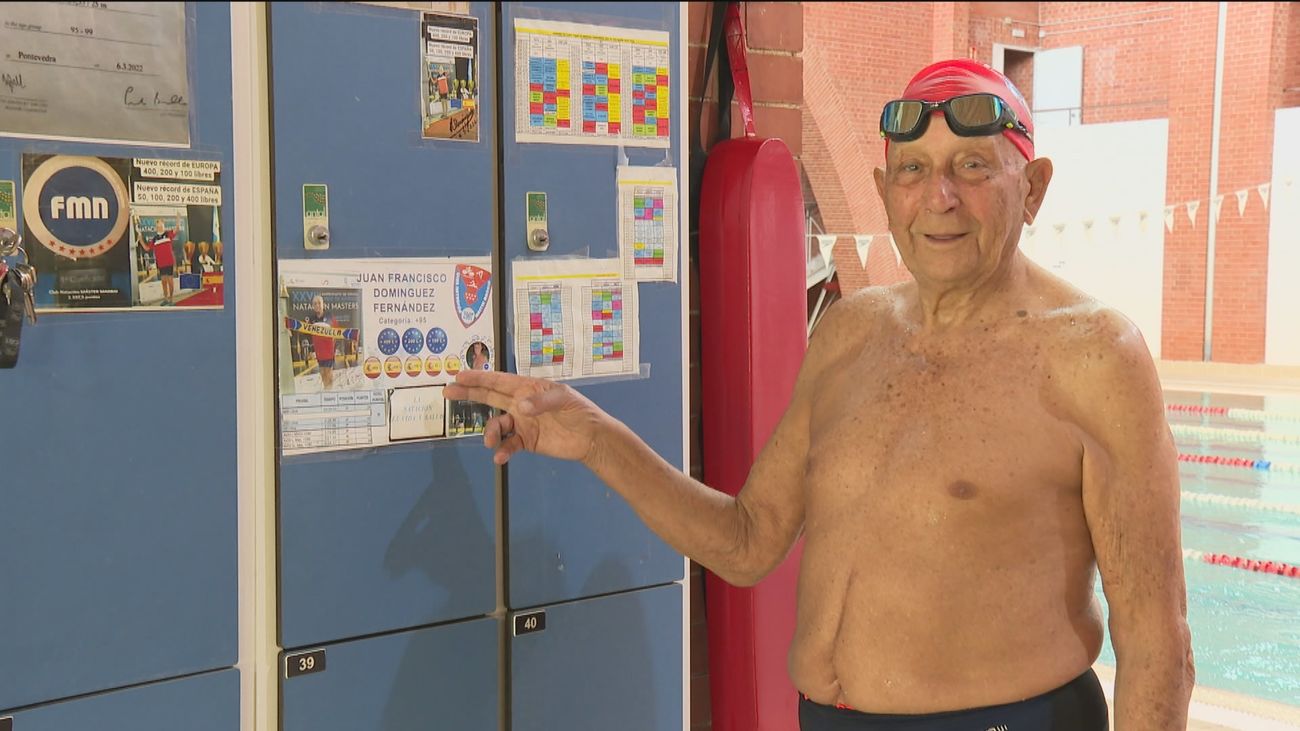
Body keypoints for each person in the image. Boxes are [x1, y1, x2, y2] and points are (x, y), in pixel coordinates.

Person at [447, 59, 1193, 731]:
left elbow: (1156, 643)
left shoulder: (1093, 354)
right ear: (882, 190)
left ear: (1031, 188)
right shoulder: (853, 334)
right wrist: (597, 438)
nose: (939, 197)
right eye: (912, 171)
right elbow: (746, 539)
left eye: (972, 167)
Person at [141, 218, 178, 305]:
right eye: (158, 226)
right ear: (156, 227)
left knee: (170, 282)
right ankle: (165, 299)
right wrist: (141, 240)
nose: (160, 227)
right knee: (163, 282)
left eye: (161, 225)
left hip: (169, 262)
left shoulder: (168, 234)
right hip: (161, 264)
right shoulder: (154, 239)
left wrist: (178, 220)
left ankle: (171, 299)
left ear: (164, 225)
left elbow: (177, 229)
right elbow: (147, 248)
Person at [307, 294, 337, 391]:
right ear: (312, 306)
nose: (317, 305)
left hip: (328, 352)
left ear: (323, 304)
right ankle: (326, 390)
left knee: (328, 373)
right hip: (319, 352)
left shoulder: (329, 316)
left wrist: (335, 348)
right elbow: (309, 335)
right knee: (322, 373)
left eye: (319, 303)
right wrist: (312, 351)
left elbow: (337, 332)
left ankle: (330, 392)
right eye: (315, 304)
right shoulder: (311, 319)